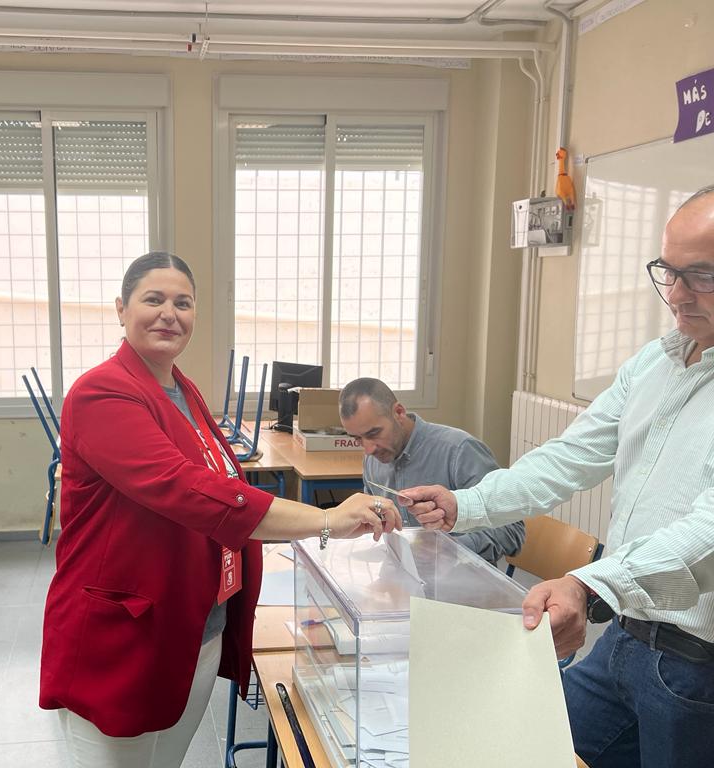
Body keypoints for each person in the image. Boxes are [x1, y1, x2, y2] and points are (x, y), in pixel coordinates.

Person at [39, 252, 403, 768]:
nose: (170, 313)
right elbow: (187, 489)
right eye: (154, 299)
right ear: (121, 309)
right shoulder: (102, 392)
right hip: (123, 634)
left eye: (183, 303)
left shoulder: (180, 389)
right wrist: (325, 520)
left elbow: (223, 479)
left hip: (194, 626)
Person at [401, 186, 714, 768]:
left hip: (696, 664)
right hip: (625, 635)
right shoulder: (657, 360)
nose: (676, 294)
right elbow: (568, 458)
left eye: (701, 276)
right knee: (534, 749)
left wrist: (589, 584)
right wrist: (467, 503)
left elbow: (706, 532)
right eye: (668, 270)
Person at [338, 377, 524, 564]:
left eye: (374, 434)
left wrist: (452, 549)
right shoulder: (373, 459)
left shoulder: (459, 450)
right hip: (403, 579)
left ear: (399, 412)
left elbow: (512, 529)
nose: (368, 449)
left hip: (459, 583)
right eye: (357, 439)